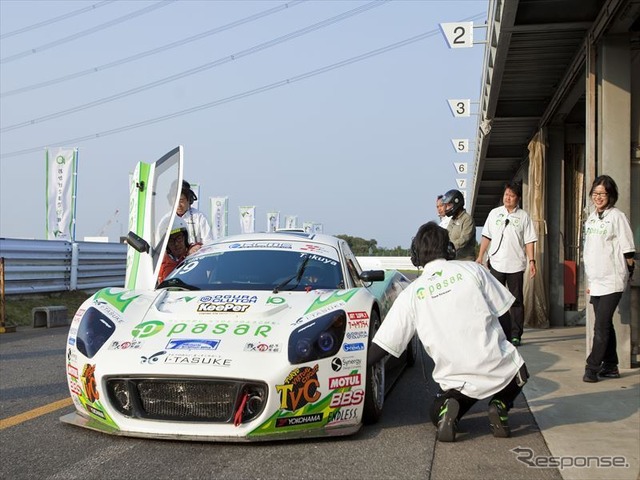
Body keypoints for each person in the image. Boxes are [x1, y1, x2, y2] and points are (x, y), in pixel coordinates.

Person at [367, 222, 528, 442]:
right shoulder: (474, 270)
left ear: (416, 255)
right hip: (495, 364)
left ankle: (449, 409)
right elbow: (504, 313)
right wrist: (507, 345)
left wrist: (353, 367)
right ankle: (500, 405)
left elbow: (384, 345)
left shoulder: (412, 293)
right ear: (449, 249)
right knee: (520, 371)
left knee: (436, 410)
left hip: (455, 379)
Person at [582, 175, 636, 383]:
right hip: (596, 282)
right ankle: (611, 366)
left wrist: (628, 274)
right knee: (605, 325)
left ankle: (592, 367)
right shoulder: (592, 218)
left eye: (603, 194)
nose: (598, 197)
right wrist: (590, 281)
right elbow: (590, 250)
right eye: (595, 193)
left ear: (611, 195)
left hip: (613, 279)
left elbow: (628, 248)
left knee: (600, 326)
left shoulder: (617, 216)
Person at [475, 181, 538, 346]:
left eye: (511, 195)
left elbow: (529, 241)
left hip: (516, 265)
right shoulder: (495, 214)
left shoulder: (523, 216)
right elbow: (486, 236)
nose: (507, 198)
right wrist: (480, 256)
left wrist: (532, 261)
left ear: (518, 198)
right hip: (496, 263)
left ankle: (516, 334)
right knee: (496, 300)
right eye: (506, 195)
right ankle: (500, 332)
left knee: (516, 301)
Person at [177, 180, 214, 254]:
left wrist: (198, 248)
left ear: (189, 200)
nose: (178, 205)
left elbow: (209, 242)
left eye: (181, 200)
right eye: (175, 201)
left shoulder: (199, 217)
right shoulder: (166, 219)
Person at [157, 217, 193, 285]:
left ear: (185, 238)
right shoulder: (163, 266)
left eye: (179, 238)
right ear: (166, 244)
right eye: (171, 240)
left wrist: (194, 247)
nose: (176, 244)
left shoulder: (195, 253)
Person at [442, 189, 476, 260]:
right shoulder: (453, 219)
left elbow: (464, 239)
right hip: (454, 259)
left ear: (456, 202)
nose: (447, 208)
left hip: (465, 261)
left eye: (449, 205)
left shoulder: (467, 219)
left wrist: (449, 248)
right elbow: (446, 234)